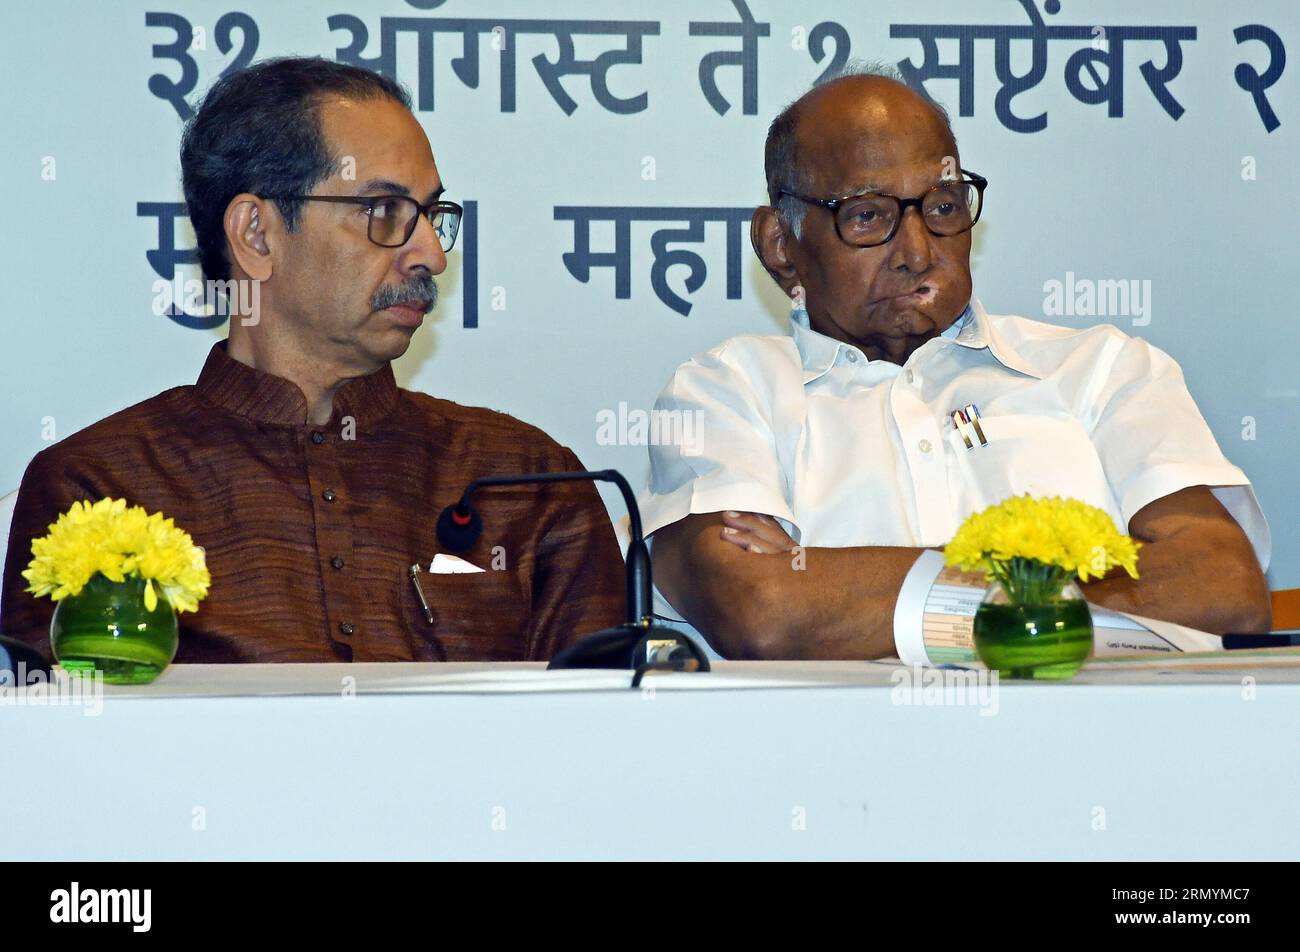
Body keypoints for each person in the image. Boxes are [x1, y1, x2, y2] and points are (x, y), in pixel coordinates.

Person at [1, 57, 624, 662]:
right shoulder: (100, 488)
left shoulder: (530, 481)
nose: (431, 254)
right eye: (385, 212)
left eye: (432, 214)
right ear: (256, 233)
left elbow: (607, 744)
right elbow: (65, 750)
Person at [640, 67, 1271, 659]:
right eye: (868, 216)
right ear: (781, 246)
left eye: (942, 207)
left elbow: (1224, 589)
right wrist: (1085, 582)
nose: (917, 253)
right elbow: (766, 610)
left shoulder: (1103, 370)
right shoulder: (725, 394)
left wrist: (837, 583)